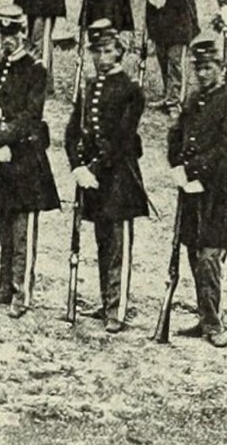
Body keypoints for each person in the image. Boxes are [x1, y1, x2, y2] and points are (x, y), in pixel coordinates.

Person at [0, 4, 61, 317]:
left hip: (25, 160)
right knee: (3, 227)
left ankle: (22, 293)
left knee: (22, 230)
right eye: (1, 33)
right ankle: (3, 286)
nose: (6, 40)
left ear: (22, 33)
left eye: (12, 34)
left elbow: (29, 116)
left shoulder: (36, 69)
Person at [166, 34, 227, 346]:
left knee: (209, 256)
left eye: (209, 68)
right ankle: (205, 315)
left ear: (223, 67)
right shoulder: (193, 99)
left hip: (222, 192)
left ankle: (214, 324)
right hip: (192, 189)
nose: (203, 74)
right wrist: (176, 164)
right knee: (192, 250)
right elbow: (177, 135)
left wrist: (193, 169)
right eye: (198, 68)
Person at [65, 19, 149, 331]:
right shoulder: (88, 86)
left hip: (119, 177)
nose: (102, 57)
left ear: (120, 53)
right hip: (92, 177)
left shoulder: (131, 91)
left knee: (117, 244)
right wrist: (76, 165)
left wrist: (93, 168)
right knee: (102, 241)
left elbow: (123, 140)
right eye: (97, 51)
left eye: (108, 51)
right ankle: (106, 301)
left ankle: (117, 309)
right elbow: (73, 130)